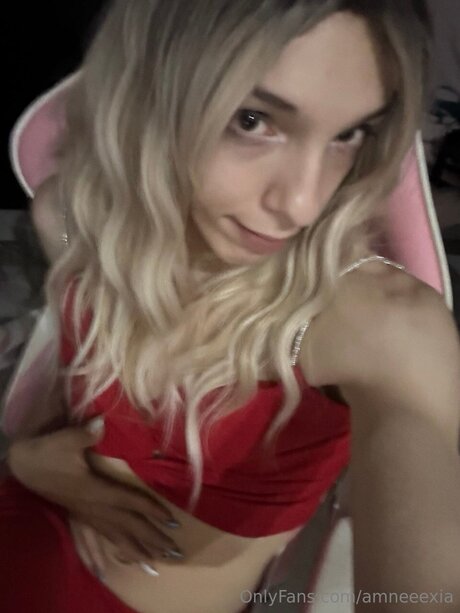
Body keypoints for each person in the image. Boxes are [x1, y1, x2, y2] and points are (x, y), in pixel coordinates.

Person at [1, 1, 460, 611]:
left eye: (348, 134)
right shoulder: (69, 219)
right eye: (252, 120)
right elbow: (77, 365)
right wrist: (28, 461)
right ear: (149, 93)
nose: (302, 204)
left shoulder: (380, 326)